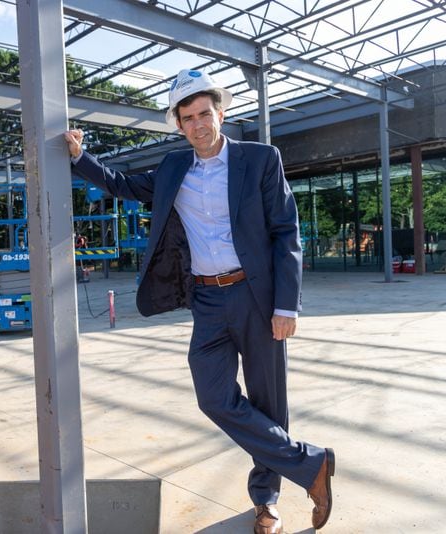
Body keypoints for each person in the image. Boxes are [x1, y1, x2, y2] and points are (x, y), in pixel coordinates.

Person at [64, 69, 334, 533]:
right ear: (179, 124)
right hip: (207, 300)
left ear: (220, 113)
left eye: (204, 113)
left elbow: (286, 231)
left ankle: (265, 502)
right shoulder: (174, 168)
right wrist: (80, 156)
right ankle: (310, 464)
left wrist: (286, 305)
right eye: (187, 118)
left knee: (269, 402)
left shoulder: (260, 159)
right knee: (214, 397)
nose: (197, 124)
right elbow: (123, 184)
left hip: (257, 296)